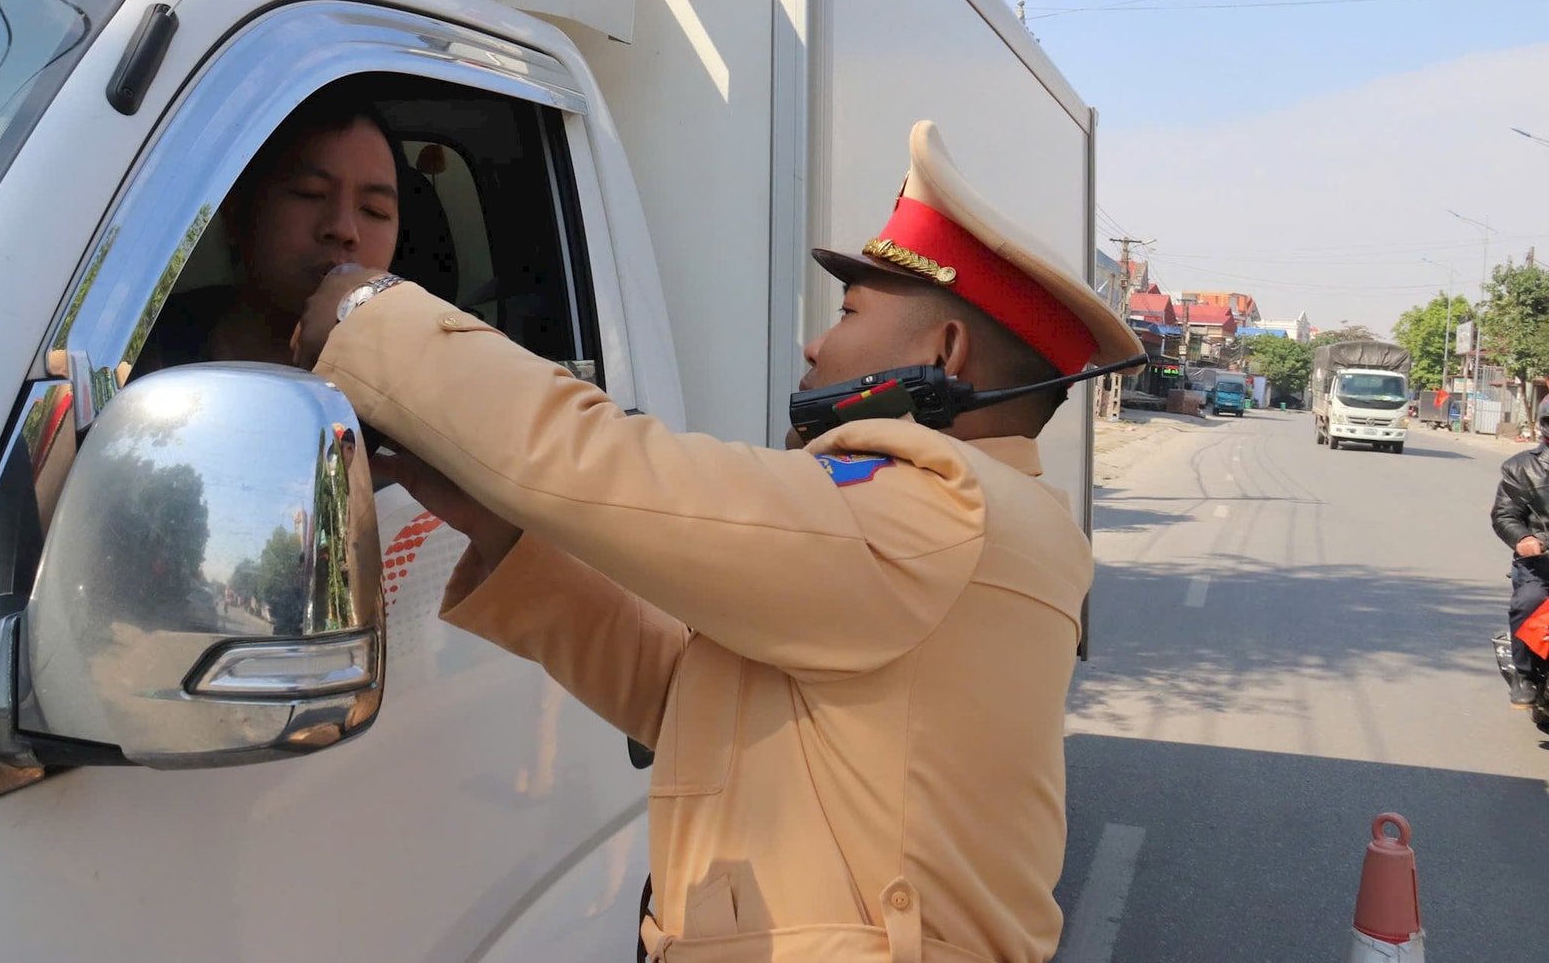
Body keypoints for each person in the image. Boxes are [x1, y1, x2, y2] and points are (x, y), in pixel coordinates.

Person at [293, 121, 1143, 962]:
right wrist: (503, 531)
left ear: (943, 353)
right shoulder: (968, 522)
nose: (815, 343)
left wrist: (371, 314)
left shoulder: (937, 507)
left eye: (847, 311)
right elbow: (696, 706)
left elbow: (612, 469)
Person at [133, 87, 406, 374]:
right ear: (237, 212)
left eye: (375, 210)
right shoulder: (138, 351)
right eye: (310, 193)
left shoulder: (411, 395)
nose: (343, 229)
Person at [1490, 398, 1549, 712]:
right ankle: (1523, 675)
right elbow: (1504, 516)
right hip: (1540, 565)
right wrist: (1524, 538)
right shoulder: (1521, 467)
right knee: (1527, 602)